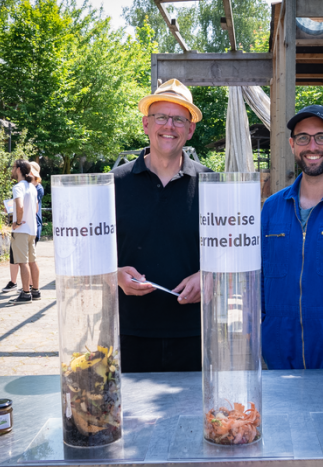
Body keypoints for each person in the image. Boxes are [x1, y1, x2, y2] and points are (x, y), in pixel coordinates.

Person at [112, 79, 211, 373]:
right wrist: (114, 274)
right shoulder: (114, 183)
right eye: (161, 117)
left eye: (179, 119)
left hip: (195, 333)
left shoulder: (211, 184)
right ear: (146, 124)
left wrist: (208, 276)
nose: (169, 126)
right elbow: (90, 251)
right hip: (130, 332)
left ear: (190, 129)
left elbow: (229, 252)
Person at [261, 105, 323, 369]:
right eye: (303, 138)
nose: (312, 146)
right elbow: (259, 278)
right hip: (278, 353)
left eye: (322, 137)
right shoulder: (272, 208)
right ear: (292, 145)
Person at [4, 161, 43, 292]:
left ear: (19, 169)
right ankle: (35, 291)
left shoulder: (18, 187)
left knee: (22, 262)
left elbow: (20, 206)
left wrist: (18, 222)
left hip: (21, 231)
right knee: (33, 261)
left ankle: (26, 293)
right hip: (32, 230)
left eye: (13, 167)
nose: (12, 170)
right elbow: (36, 208)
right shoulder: (32, 187)